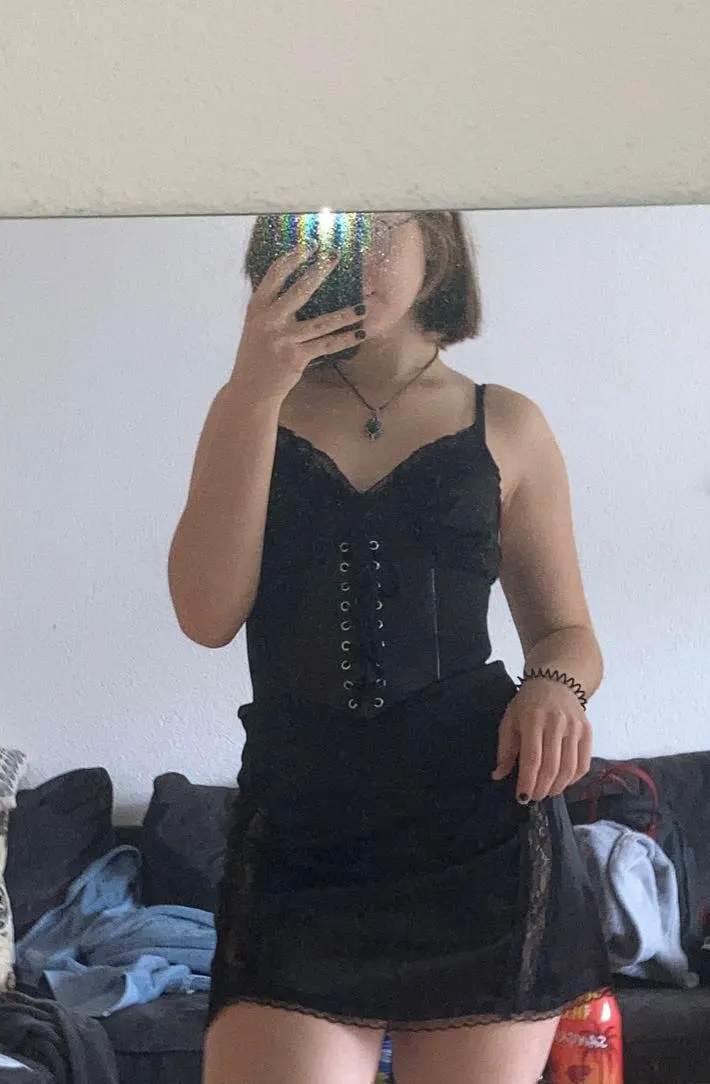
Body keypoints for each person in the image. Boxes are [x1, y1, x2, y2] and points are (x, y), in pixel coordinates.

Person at [167, 210, 611, 1084]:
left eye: (379, 226)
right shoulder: (249, 411)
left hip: (480, 834)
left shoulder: (507, 423)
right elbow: (205, 615)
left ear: (435, 241)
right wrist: (253, 390)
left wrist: (555, 686)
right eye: (328, 225)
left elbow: (568, 633)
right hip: (301, 839)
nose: (351, 252)